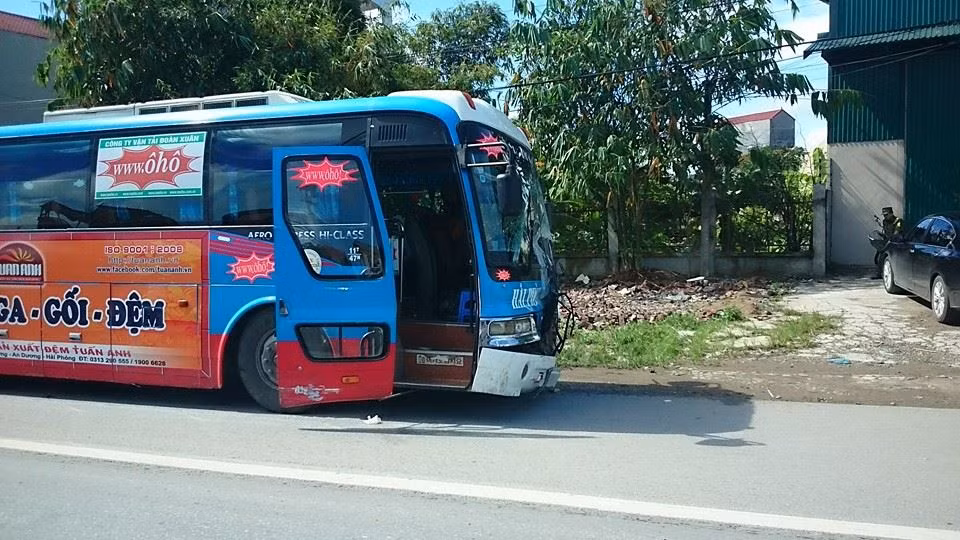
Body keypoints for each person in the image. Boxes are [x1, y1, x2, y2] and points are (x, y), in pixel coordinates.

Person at [874, 206, 903, 279]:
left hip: (896, 243)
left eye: (886, 215)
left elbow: (897, 233)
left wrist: (891, 238)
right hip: (887, 241)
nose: (885, 216)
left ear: (891, 214)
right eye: (884, 215)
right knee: (880, 257)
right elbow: (885, 231)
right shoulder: (884, 221)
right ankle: (880, 273)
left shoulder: (898, 221)